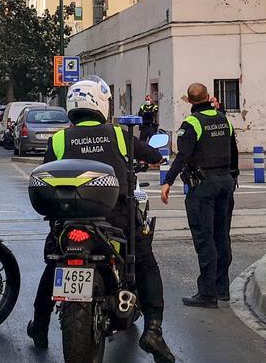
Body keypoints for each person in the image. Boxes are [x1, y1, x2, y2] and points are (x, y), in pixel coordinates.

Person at [27, 77, 175, 363]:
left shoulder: (59, 139)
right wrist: (150, 159)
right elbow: (155, 155)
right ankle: (154, 329)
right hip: (115, 219)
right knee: (145, 262)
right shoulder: (119, 134)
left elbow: (46, 171)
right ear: (101, 105)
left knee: (53, 267)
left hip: (68, 221)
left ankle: (41, 328)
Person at [161, 82, 239, 308]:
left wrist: (168, 181)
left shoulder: (192, 123)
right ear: (209, 97)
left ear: (190, 101)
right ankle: (221, 287)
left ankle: (207, 293)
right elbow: (233, 152)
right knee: (222, 236)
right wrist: (233, 176)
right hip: (226, 183)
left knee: (205, 238)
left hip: (203, 187)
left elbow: (183, 156)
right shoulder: (225, 119)